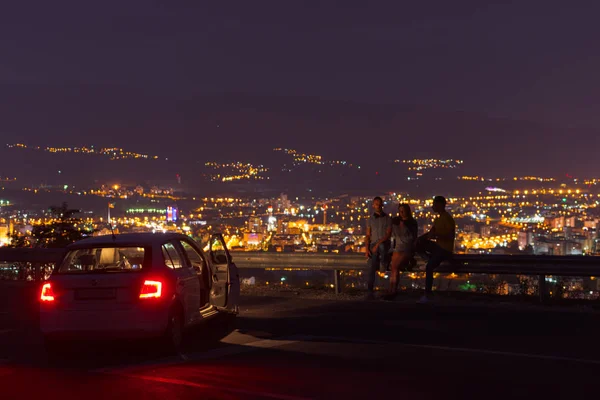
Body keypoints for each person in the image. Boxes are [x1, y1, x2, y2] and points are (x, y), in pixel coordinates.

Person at [416, 196, 455, 304]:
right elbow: (431, 232)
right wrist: (419, 239)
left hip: (444, 250)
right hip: (438, 247)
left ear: (441, 205)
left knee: (429, 267)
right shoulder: (438, 219)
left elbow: (450, 236)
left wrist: (436, 236)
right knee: (418, 245)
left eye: (434, 204)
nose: (432, 206)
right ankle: (428, 259)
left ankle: (427, 294)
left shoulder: (447, 218)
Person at [384, 203, 418, 300]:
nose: (402, 213)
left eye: (403, 210)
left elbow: (412, 237)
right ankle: (391, 289)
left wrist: (404, 228)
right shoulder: (396, 221)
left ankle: (393, 290)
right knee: (393, 268)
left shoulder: (412, 223)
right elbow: (392, 235)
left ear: (408, 211)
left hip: (407, 248)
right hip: (398, 247)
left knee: (395, 267)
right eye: (400, 211)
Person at [365, 196, 392, 299]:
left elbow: (387, 235)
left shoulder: (388, 218)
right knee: (372, 265)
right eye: (376, 204)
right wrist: (367, 249)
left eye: (380, 204)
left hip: (383, 244)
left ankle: (382, 263)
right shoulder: (370, 219)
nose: (378, 206)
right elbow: (368, 235)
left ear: (382, 205)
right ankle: (370, 290)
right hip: (374, 245)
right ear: (373, 205)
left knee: (380, 246)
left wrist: (376, 245)